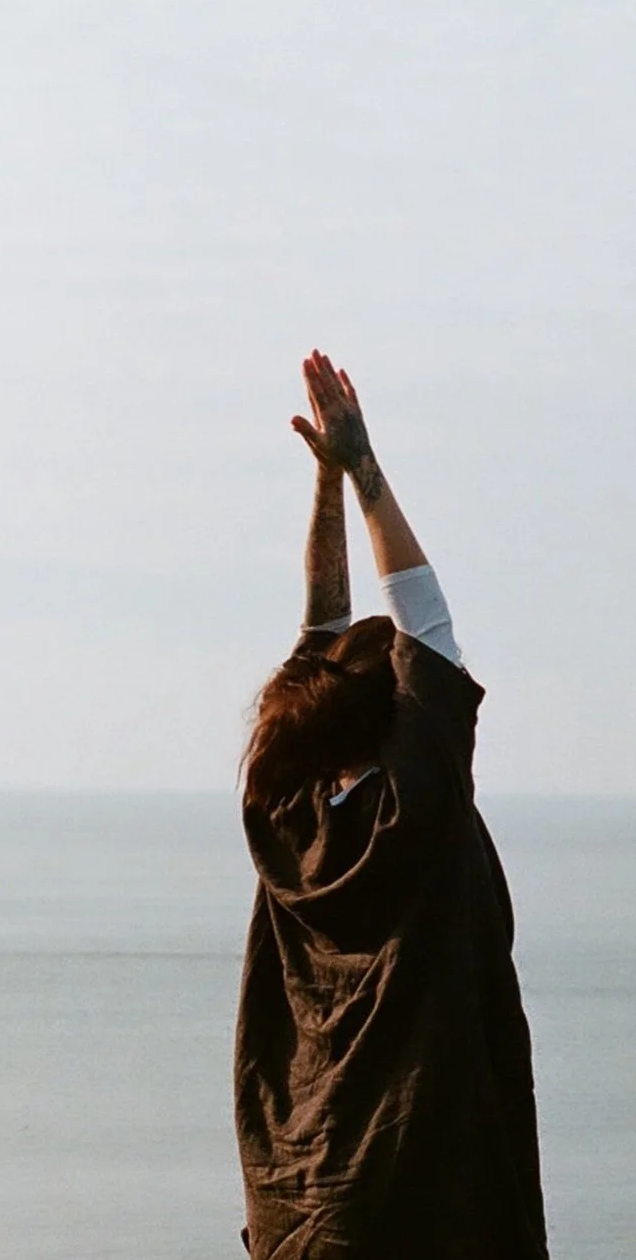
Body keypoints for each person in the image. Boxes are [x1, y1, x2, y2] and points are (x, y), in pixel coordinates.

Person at [234, 352, 549, 1259]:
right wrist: (362, 466)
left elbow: (321, 635)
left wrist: (328, 480)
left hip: (303, 1206)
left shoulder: (281, 818)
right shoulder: (417, 810)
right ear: (396, 719)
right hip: (423, 1200)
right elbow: (424, 623)